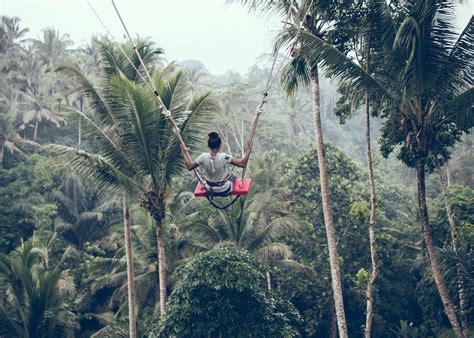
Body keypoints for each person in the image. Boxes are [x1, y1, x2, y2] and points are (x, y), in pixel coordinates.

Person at [180, 132, 252, 197]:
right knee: (233, 176)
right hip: (224, 190)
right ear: (219, 146)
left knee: (207, 179)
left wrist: (183, 151)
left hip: (210, 190)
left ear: (209, 145)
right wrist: (249, 150)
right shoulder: (224, 156)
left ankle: (210, 184)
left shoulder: (202, 157)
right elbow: (242, 164)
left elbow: (189, 166)